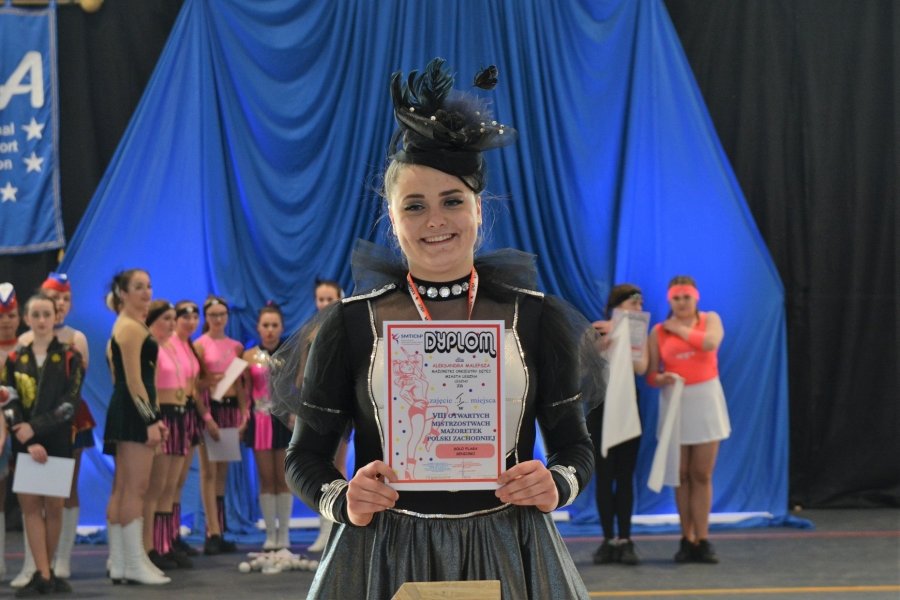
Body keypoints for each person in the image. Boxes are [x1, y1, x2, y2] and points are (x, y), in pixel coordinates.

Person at [275, 58, 602, 599]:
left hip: (511, 547)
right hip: (382, 554)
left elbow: (575, 446)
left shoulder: (535, 317)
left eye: (452, 201)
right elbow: (304, 457)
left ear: (479, 209)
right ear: (392, 217)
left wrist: (556, 483)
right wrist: (342, 498)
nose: (435, 221)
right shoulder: (351, 323)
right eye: (414, 206)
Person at [14, 272, 96, 584]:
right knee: (30, 497)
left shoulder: (76, 341)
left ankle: (60, 558)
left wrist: (39, 424)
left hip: (67, 424)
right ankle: (33, 564)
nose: (59, 304)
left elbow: (73, 391)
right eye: (53, 299)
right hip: (28, 428)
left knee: (63, 492)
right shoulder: (22, 345)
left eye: (65, 299)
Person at [2, 293, 83, 596]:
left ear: (56, 316)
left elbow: (69, 405)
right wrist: (25, 435)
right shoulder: (15, 359)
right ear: (26, 319)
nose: (41, 320)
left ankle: (48, 569)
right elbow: (7, 398)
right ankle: (43, 573)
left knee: (54, 507)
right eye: (35, 314)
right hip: (25, 441)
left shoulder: (70, 357)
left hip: (57, 440)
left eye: (46, 314)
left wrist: (34, 429)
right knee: (31, 509)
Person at [646, 275, 730, 564]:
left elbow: (710, 343)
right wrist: (662, 378)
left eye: (686, 297)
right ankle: (687, 538)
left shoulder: (710, 319)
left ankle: (703, 539)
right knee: (680, 475)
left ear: (696, 298)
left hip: (706, 400)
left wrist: (679, 329)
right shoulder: (658, 331)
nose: (681, 302)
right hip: (675, 403)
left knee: (701, 474)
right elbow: (651, 374)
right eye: (676, 298)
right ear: (670, 300)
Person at [102, 269, 170, 585]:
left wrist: (153, 415)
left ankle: (122, 560)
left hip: (128, 410)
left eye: (149, 286)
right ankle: (130, 562)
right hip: (131, 412)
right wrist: (150, 419)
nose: (146, 292)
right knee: (135, 488)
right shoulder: (129, 328)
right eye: (138, 287)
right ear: (123, 293)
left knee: (122, 487)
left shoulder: (129, 325)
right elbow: (132, 381)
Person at [587, 284, 648, 565]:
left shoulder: (638, 332)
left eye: (640, 304)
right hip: (601, 407)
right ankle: (607, 538)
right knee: (604, 474)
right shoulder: (597, 329)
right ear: (618, 305)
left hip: (627, 407)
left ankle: (625, 538)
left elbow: (642, 368)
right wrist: (604, 343)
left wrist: (629, 341)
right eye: (633, 303)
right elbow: (582, 367)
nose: (638, 308)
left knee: (624, 475)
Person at [194, 296, 247, 555]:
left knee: (222, 474)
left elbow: (240, 385)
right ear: (206, 317)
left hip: (229, 410)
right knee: (208, 472)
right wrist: (206, 416)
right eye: (213, 315)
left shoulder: (236, 347)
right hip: (210, 409)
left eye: (222, 314)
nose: (218, 319)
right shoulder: (199, 346)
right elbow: (195, 386)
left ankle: (220, 529)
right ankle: (211, 530)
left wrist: (244, 414)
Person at [143, 301, 193, 570]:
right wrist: (155, 419)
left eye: (174, 318)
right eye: (166, 318)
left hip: (180, 415)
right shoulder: (151, 346)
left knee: (171, 485)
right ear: (152, 320)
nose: (172, 324)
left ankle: (165, 542)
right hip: (164, 415)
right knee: (157, 485)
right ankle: (150, 545)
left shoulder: (172, 346)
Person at [243, 303, 293, 551]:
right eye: (266, 325)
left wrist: (294, 413)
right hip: (260, 420)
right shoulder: (248, 356)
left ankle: (284, 534)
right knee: (266, 479)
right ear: (258, 328)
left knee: (283, 479)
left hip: (283, 419)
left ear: (281, 327)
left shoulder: (290, 352)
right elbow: (242, 391)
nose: (270, 330)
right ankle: (270, 533)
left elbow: (297, 386)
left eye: (274, 325)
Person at [307, 279, 346, 553]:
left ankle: (334, 527)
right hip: (315, 409)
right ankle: (323, 528)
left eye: (328, 298)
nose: (324, 304)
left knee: (337, 467)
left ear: (339, 298)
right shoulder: (310, 332)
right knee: (316, 465)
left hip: (340, 408)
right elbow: (302, 374)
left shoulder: (347, 328)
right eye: (320, 299)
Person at [168, 300, 205, 557]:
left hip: (189, 415)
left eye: (194, 318)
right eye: (185, 317)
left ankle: (172, 535)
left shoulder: (188, 345)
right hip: (175, 414)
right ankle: (163, 540)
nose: (190, 322)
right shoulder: (170, 345)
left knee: (179, 480)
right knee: (168, 482)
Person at [0, 283, 19, 582]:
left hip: (28, 429)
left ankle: (42, 565)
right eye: (1, 316)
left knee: (37, 496)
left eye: (11, 315)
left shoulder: (27, 347)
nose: (5, 321)